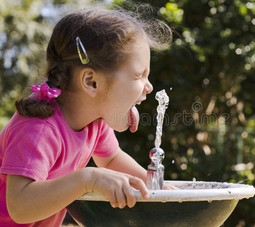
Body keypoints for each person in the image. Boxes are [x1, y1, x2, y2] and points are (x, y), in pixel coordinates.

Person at [0, 6, 172, 226]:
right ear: (91, 82)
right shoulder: (39, 128)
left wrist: (157, 189)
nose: (149, 87)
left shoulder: (95, 121)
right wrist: (88, 179)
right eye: (139, 75)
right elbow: (20, 208)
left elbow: (111, 159)